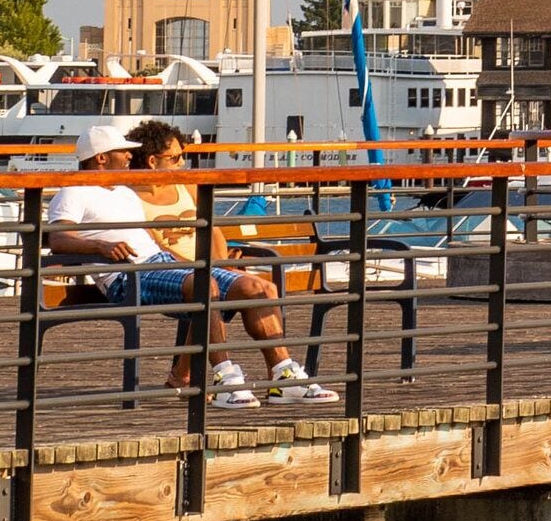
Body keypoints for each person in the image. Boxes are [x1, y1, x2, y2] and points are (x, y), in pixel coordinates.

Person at [44, 119, 334, 407]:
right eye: (124, 151)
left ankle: (283, 376)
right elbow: (58, 239)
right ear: (102, 158)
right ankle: (225, 379)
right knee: (203, 286)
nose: (131, 156)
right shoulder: (73, 191)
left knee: (259, 287)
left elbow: (153, 243)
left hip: (161, 264)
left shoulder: (124, 193)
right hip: (127, 276)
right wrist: (99, 246)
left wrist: (202, 264)